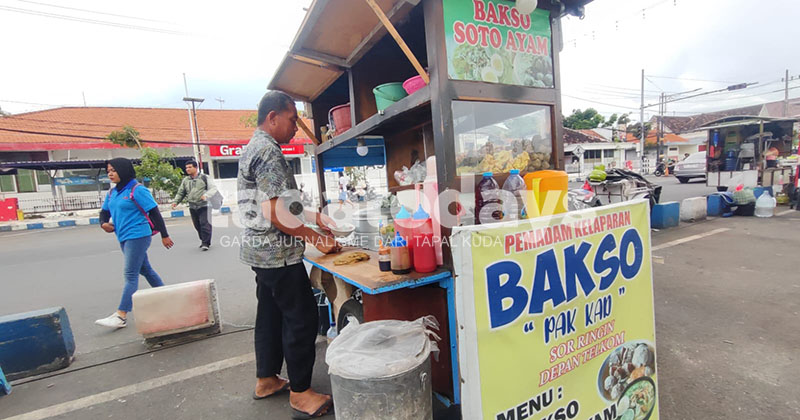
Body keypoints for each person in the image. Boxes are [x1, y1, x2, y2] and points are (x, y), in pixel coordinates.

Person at [238, 91, 339, 419]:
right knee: (302, 319)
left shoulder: (253, 145)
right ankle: (300, 393)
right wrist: (316, 239)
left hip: (260, 254)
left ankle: (266, 379)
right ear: (273, 118)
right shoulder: (269, 150)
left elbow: (282, 202)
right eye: (293, 119)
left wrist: (316, 217)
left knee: (269, 315)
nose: (296, 127)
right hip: (278, 255)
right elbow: (274, 211)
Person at [95, 158, 174, 329]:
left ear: (123, 170)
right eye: (108, 170)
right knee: (146, 270)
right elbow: (104, 212)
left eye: (113, 170)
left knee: (130, 274)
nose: (110, 173)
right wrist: (103, 224)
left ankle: (121, 315)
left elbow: (154, 213)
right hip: (122, 236)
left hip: (138, 235)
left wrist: (164, 235)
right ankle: (167, 298)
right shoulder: (113, 193)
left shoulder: (137, 190)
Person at [172, 161, 218, 251]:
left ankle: (206, 243)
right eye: (186, 168)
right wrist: (175, 202)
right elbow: (181, 192)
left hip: (204, 205)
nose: (187, 169)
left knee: (204, 224)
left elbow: (213, 188)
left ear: (195, 168)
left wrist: (206, 196)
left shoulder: (204, 178)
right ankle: (203, 240)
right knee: (197, 225)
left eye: (189, 167)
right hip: (192, 206)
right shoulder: (186, 180)